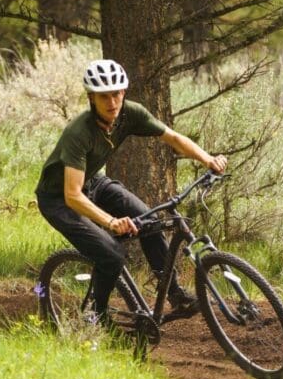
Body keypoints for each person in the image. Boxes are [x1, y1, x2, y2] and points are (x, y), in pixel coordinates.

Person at [36, 58, 227, 330]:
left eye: (116, 94)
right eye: (104, 96)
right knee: (112, 255)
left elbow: (172, 138)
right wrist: (112, 222)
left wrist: (208, 159)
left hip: (93, 183)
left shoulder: (130, 113)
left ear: (124, 92)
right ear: (91, 98)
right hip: (59, 200)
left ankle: (174, 293)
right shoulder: (78, 133)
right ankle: (96, 314)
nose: (112, 102)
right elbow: (72, 196)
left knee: (148, 221)